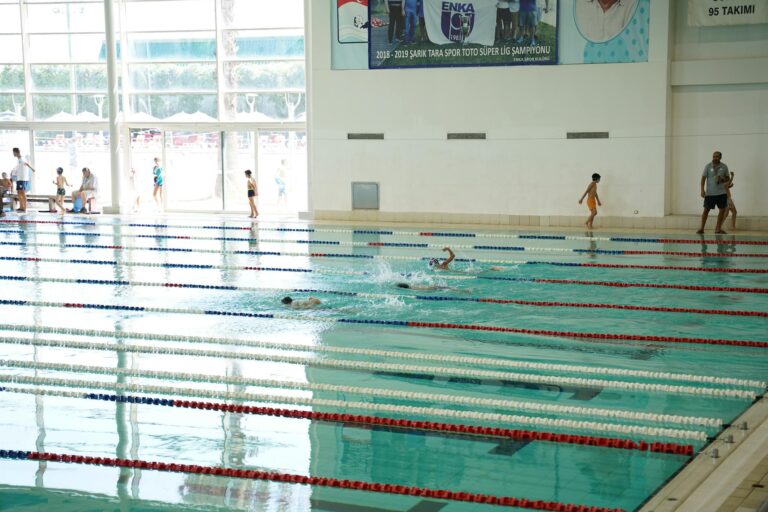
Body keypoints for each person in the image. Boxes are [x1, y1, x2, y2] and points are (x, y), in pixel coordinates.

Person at [697, 151, 730, 234]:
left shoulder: (724, 167)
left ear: (720, 157)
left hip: (722, 193)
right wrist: (702, 190)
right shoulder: (708, 166)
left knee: (722, 210)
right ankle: (702, 228)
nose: (715, 158)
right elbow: (703, 179)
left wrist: (722, 179)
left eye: (717, 156)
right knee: (706, 210)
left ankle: (718, 228)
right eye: (714, 156)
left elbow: (728, 179)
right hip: (710, 193)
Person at [11, 148, 36, 213]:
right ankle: (21, 207)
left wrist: (32, 169)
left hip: (23, 179)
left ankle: (24, 208)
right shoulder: (19, 160)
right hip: (19, 179)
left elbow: (27, 164)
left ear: (16, 152)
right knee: (19, 193)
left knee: (22, 193)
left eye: (13, 152)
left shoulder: (22, 159)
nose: (13, 154)